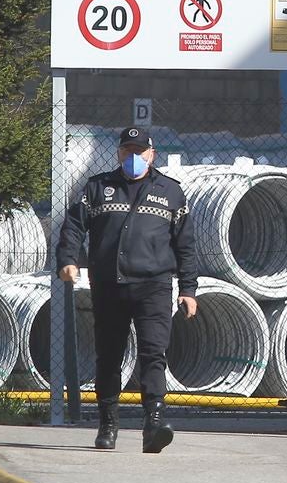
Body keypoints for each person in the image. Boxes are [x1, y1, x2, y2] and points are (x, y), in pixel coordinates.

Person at [57, 127, 199, 453]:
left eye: (140, 151)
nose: (133, 157)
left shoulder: (171, 192)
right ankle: (108, 424)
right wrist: (68, 259)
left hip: (154, 286)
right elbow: (74, 227)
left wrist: (189, 289)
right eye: (127, 151)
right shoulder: (97, 188)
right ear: (118, 153)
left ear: (152, 154)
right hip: (109, 285)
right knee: (109, 356)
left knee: (153, 353)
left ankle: (154, 424)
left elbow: (186, 245)